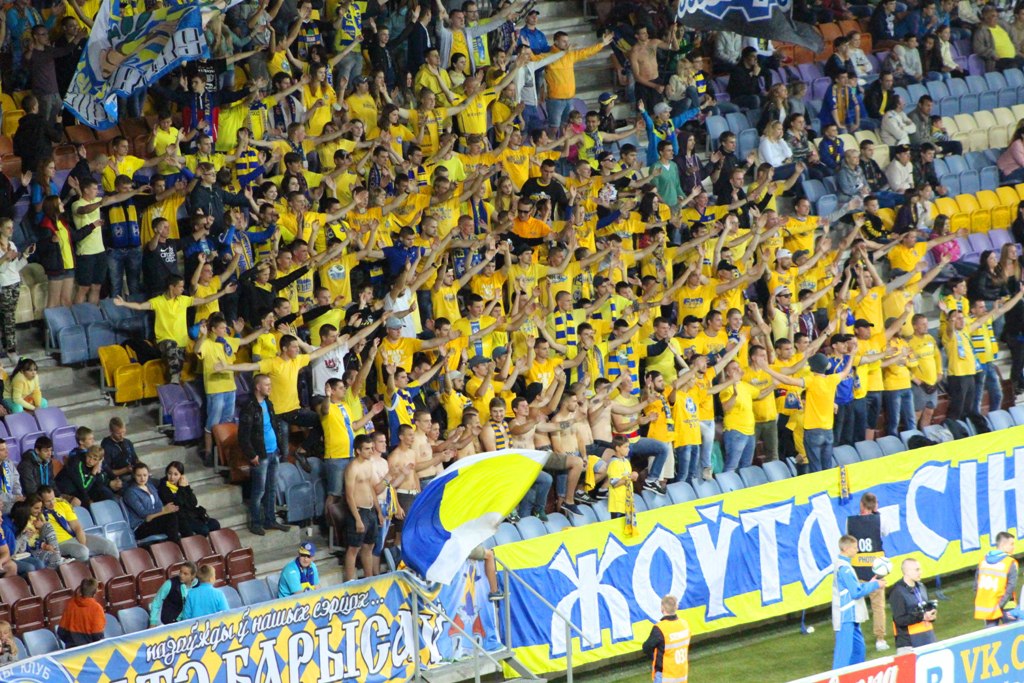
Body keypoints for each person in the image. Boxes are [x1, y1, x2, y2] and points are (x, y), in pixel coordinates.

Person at [238, 374, 290, 536]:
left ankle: (270, 519)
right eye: (266, 385)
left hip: (273, 451)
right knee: (259, 491)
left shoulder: (268, 403)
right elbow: (243, 436)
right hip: (260, 455)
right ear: (258, 387)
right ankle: (255, 522)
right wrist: (252, 455)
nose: (270, 387)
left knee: (271, 488)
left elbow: (273, 426)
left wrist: (279, 446)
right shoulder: (249, 407)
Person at [832, 535, 886, 670]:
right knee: (843, 655)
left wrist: (870, 583)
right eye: (855, 547)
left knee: (859, 650)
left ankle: (856, 675)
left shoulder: (844, 565)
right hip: (846, 616)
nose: (857, 550)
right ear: (846, 549)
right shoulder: (844, 568)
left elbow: (854, 588)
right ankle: (837, 677)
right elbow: (856, 592)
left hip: (852, 616)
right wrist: (876, 585)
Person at [846, 493, 891, 651]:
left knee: (853, 606)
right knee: (878, 606)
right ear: (875, 505)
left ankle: (852, 639)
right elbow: (886, 532)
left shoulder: (850, 521)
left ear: (861, 504)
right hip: (875, 570)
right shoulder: (881, 520)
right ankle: (880, 640)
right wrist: (877, 513)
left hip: (857, 571)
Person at [37, 485, 117, 561]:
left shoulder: (62, 503)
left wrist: (83, 544)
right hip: (58, 544)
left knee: (110, 546)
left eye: (53, 499)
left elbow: (77, 527)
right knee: (82, 552)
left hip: (73, 537)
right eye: (48, 501)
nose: (52, 503)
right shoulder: (37, 512)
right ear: (41, 501)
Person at [157, 461, 220, 538]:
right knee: (204, 530)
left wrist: (187, 487)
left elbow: (193, 503)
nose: (172, 477)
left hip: (191, 515)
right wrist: (181, 488)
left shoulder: (182, 484)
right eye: (169, 473)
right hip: (180, 518)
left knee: (215, 524)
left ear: (181, 475)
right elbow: (177, 504)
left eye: (176, 474)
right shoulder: (163, 487)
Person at [890, 558, 937, 654]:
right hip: (908, 644)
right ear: (907, 572)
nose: (920, 572)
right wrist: (921, 616)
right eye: (917, 570)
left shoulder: (921, 586)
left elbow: (924, 609)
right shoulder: (897, 592)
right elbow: (899, 620)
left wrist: (931, 616)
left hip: (927, 637)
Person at [641, 595, 691, 683]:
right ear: (676, 607)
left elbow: (646, 647)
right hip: (681, 674)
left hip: (665, 675)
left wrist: (654, 657)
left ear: (662, 608)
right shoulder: (684, 624)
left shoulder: (660, 628)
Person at [974, 531, 1019, 627]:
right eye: (1011, 544)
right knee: (1013, 633)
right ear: (1003, 545)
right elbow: (1011, 586)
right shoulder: (1010, 562)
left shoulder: (983, 561)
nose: (1013, 547)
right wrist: (1000, 604)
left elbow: (976, 585)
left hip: (989, 605)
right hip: (1007, 604)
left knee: (991, 634)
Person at [57, 578, 105, 646]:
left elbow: (61, 631)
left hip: (72, 648)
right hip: (90, 649)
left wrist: (70, 643)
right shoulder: (97, 608)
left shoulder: (70, 605)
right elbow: (97, 635)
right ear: (95, 592)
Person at [148, 561, 197, 626]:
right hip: (170, 622)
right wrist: (153, 622)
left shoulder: (198, 586)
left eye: (185, 574)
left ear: (193, 576)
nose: (181, 575)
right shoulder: (170, 584)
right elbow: (156, 603)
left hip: (191, 623)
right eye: (180, 572)